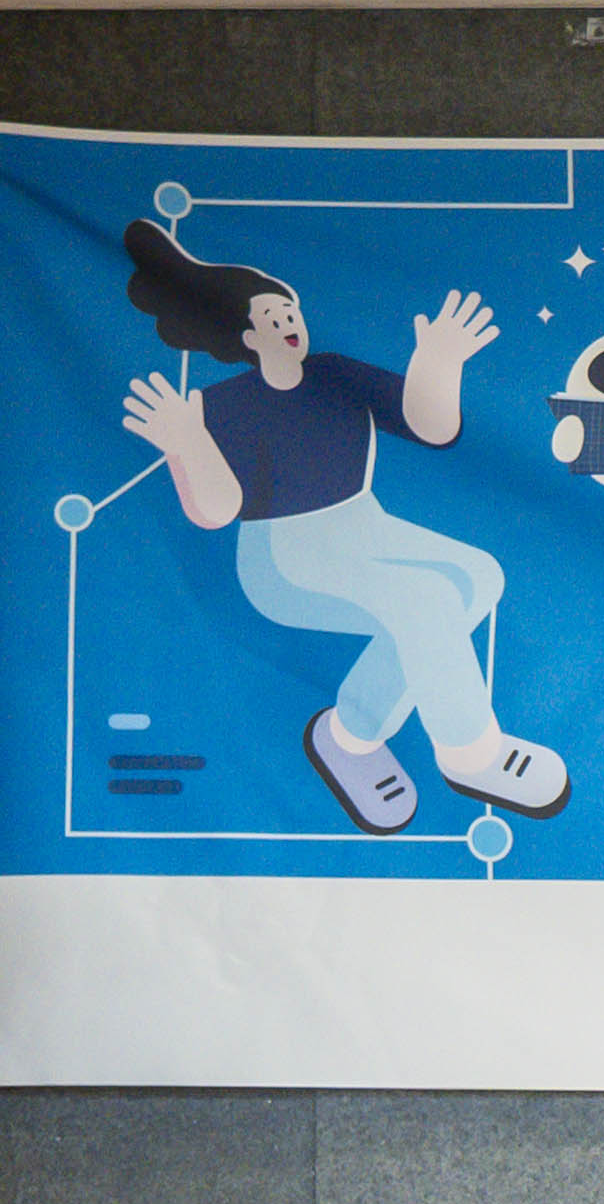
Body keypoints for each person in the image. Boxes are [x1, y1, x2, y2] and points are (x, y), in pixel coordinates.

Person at [110, 217, 549, 830]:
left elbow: (430, 425)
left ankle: (349, 737)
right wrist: (186, 442)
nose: (289, 324)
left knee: (477, 577)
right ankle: (471, 753)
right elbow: (216, 511)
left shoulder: (334, 373)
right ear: (247, 336)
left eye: (291, 313)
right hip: (283, 554)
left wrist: (438, 362)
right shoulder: (221, 404)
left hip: (366, 525)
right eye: (273, 318)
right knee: (422, 600)